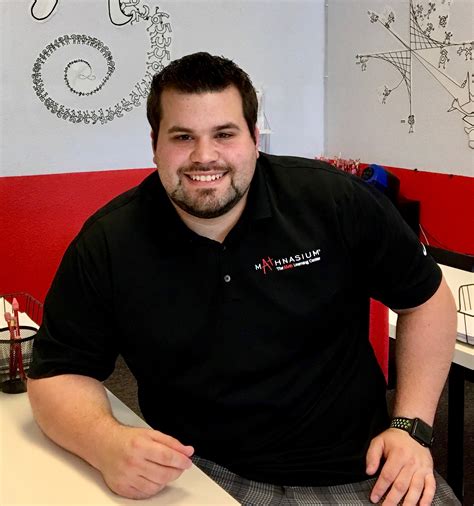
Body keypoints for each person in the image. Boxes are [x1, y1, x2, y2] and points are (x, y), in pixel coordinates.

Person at [27, 52, 459, 506]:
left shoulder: (332, 200)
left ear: (254, 137)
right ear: (154, 143)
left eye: (224, 134)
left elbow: (426, 301)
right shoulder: (108, 242)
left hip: (359, 468)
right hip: (199, 472)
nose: (204, 156)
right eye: (182, 136)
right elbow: (56, 374)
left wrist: (411, 428)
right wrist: (106, 443)